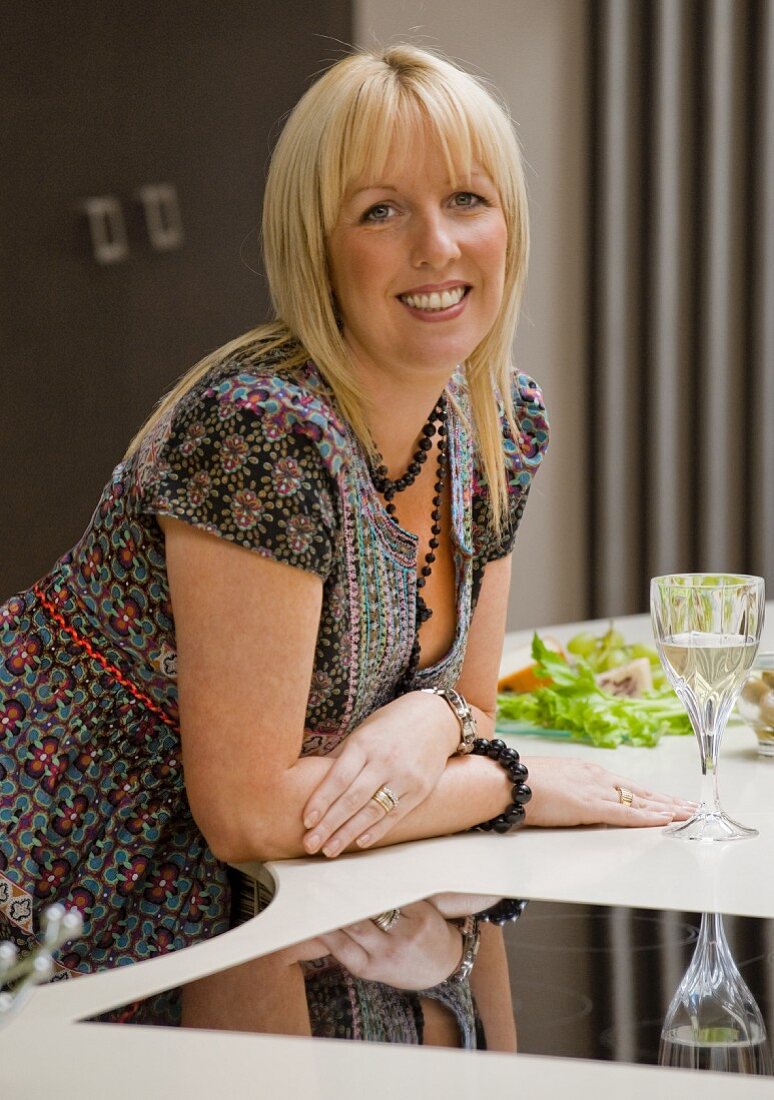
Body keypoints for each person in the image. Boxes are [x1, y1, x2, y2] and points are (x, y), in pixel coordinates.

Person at [0, 44, 693, 1034]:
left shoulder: (500, 422)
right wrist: (511, 781)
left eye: (467, 198)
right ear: (314, 244)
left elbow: (476, 701)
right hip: (48, 884)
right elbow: (247, 810)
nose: (439, 248)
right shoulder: (260, 435)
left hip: (246, 909)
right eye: (381, 211)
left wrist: (443, 722)